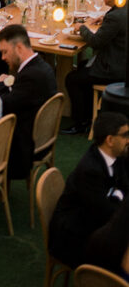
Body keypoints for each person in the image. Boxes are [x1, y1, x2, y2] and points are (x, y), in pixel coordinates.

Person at [48, 111, 129, 270]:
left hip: (94, 223)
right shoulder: (90, 171)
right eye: (125, 135)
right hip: (73, 239)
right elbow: (106, 214)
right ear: (110, 140)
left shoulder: (117, 156)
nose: (128, 140)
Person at [63, 0, 127, 134]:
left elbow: (96, 42)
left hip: (114, 70)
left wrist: (82, 28)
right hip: (122, 62)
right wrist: (104, 18)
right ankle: (89, 113)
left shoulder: (115, 17)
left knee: (72, 79)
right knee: (84, 66)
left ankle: (81, 122)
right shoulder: (123, 8)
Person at [0, 24, 57, 179]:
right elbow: (15, 90)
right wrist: (3, 84)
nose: (2, 58)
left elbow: (3, 106)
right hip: (42, 137)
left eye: (5, 52)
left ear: (19, 48)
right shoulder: (42, 67)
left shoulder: (31, 76)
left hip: (23, 147)